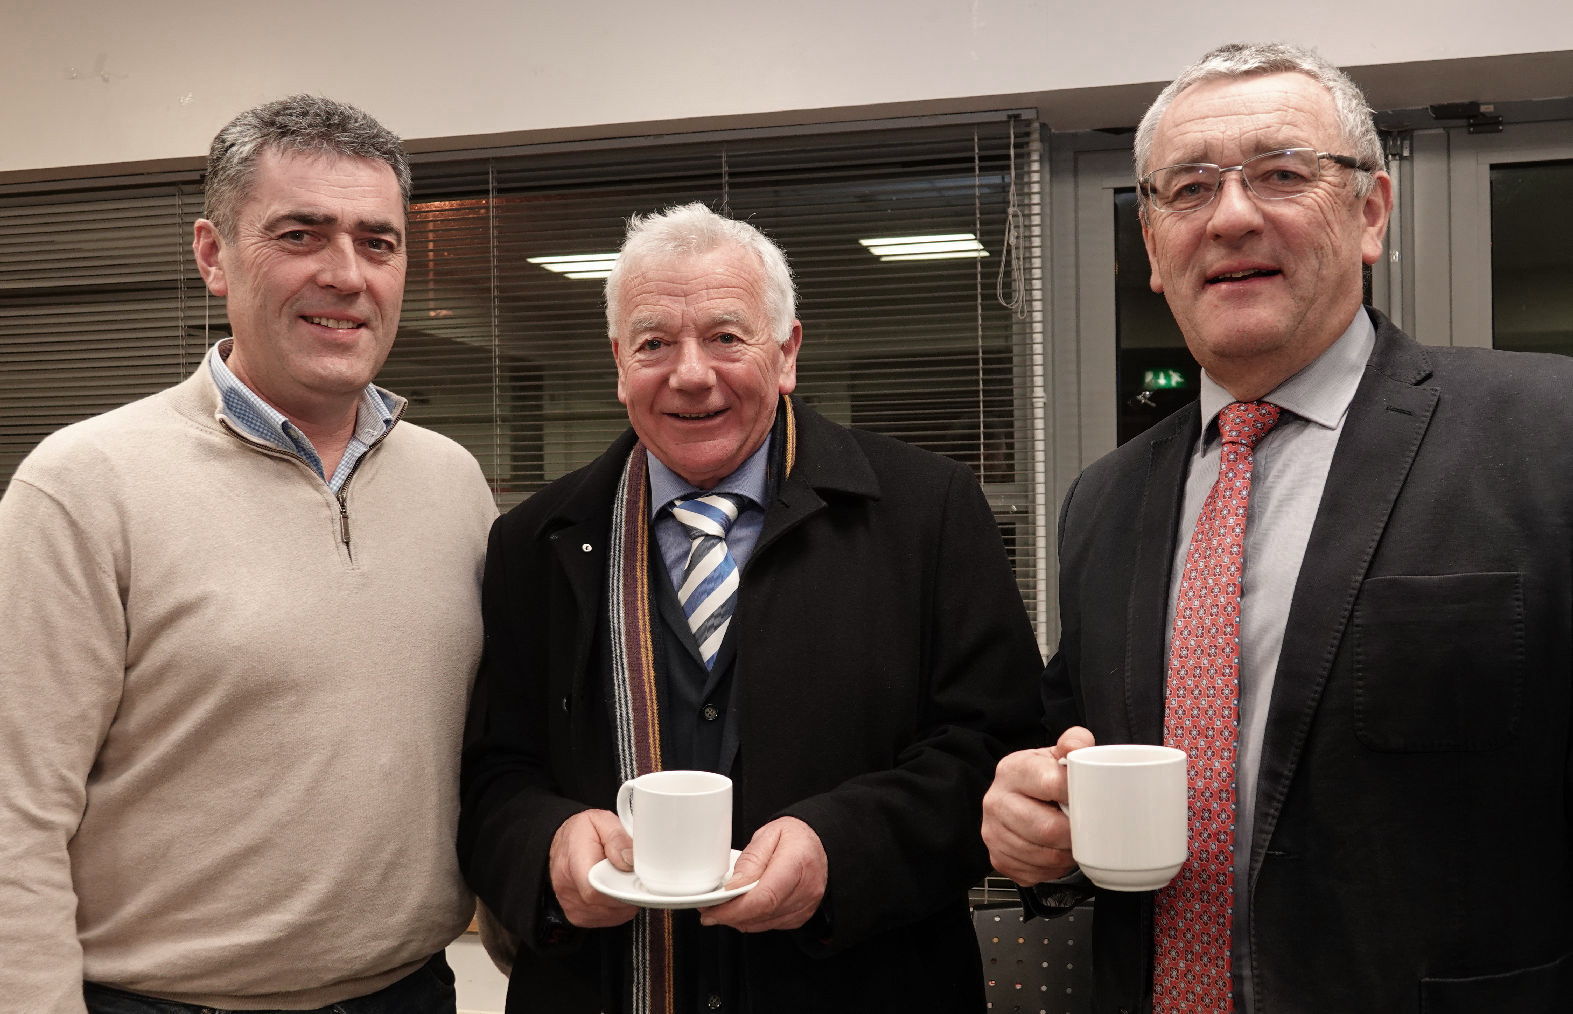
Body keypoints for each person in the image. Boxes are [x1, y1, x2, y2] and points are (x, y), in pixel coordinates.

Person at [982, 41, 1573, 1013]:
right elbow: (1074, 758)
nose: (1231, 215)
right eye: (1187, 189)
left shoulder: (1544, 436)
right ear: (1152, 249)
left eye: (1281, 174)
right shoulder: (1105, 500)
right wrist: (1033, 829)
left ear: (1371, 212)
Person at [459, 201, 1042, 1014]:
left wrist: (838, 850)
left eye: (727, 337)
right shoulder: (533, 541)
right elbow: (491, 776)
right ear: (618, 362)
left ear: (787, 351)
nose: (689, 373)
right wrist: (546, 850)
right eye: (654, 342)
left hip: (863, 987)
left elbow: (993, 747)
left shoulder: (925, 511)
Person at [0, 95, 497, 1013]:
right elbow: (13, 812)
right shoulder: (81, 486)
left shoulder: (453, 483)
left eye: (376, 242)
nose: (345, 274)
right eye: (300, 234)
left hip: (411, 992)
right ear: (213, 254)